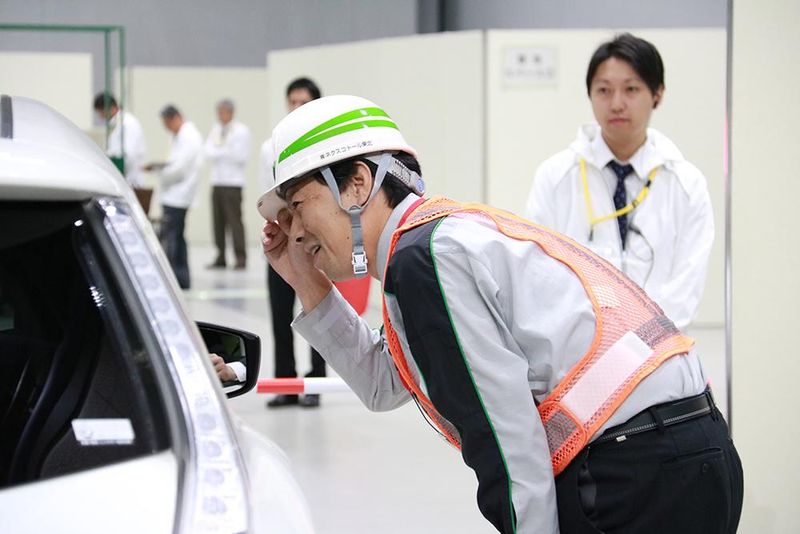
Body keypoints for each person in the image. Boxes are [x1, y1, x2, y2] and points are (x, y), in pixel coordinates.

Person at [258, 94, 743, 533]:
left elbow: (507, 442)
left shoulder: (425, 258)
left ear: (357, 184)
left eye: (298, 205)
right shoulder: (443, 237)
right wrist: (305, 280)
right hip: (686, 455)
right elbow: (386, 382)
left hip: (637, 472)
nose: (295, 231)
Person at [525, 33, 714, 330]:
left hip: (662, 348)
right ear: (590, 95)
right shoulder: (554, 176)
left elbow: (685, 288)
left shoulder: (687, 185)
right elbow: (539, 272)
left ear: (658, 94)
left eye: (631, 89)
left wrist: (642, 345)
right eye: (604, 90)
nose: (616, 104)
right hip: (577, 347)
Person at [258, 77, 326, 408]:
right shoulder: (269, 148)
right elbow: (266, 196)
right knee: (280, 315)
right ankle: (285, 383)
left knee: (319, 311)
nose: (297, 107)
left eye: (304, 102)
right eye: (293, 102)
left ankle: (316, 382)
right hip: (283, 240)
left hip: (316, 240)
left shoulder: (325, 145)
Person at [144, 105, 203, 290]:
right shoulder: (179, 136)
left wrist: (159, 171)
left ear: (175, 118)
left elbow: (179, 169)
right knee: (176, 237)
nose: (167, 128)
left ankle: (178, 279)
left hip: (179, 194)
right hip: (173, 194)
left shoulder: (189, 136)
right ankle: (180, 278)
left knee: (174, 238)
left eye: (167, 124)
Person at [204, 99, 251, 270]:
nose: (221, 115)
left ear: (231, 113)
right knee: (218, 223)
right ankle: (220, 256)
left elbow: (239, 156)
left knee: (234, 222)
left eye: (223, 112)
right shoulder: (216, 129)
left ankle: (240, 257)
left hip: (233, 183)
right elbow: (207, 152)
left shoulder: (241, 131)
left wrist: (219, 152)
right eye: (219, 112)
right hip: (217, 182)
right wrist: (224, 151)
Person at [92, 92, 149, 211]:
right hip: (125, 183)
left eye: (101, 112)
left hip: (131, 184)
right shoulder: (119, 123)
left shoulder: (127, 123)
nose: (101, 117)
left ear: (109, 108)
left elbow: (129, 155)